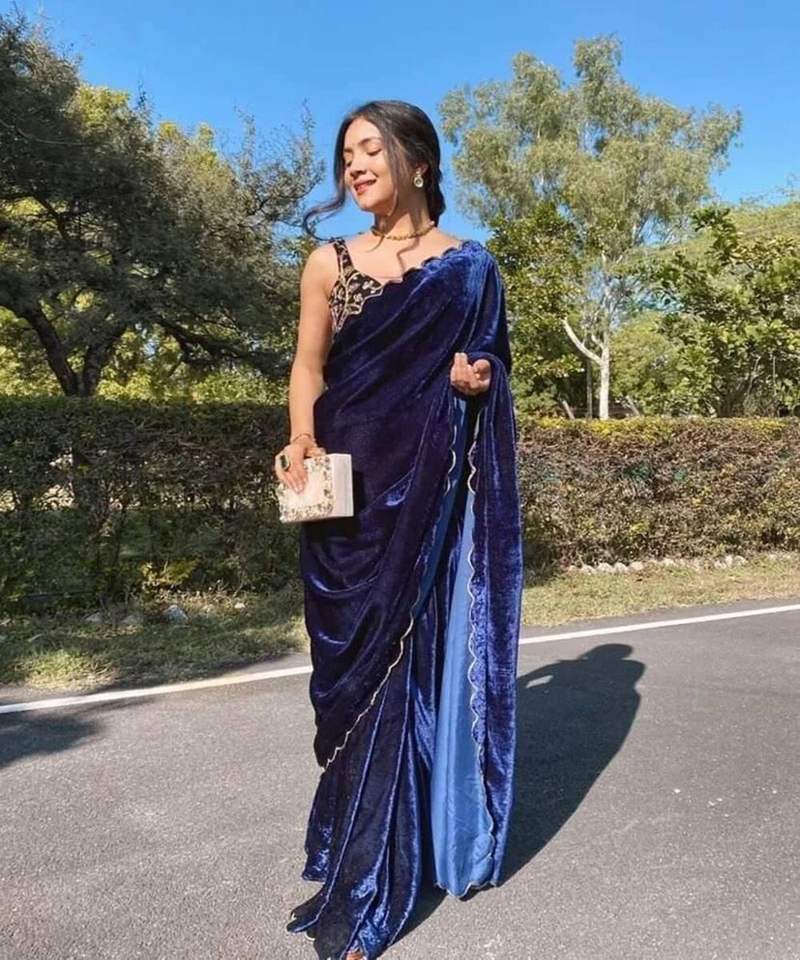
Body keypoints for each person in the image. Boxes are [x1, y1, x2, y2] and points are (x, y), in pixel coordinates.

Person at [273, 100, 523, 960]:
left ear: (418, 161)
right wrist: (299, 436)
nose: (355, 165)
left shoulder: (470, 267)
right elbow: (308, 365)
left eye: (371, 149)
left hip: (424, 493)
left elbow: (490, 363)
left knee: (403, 679)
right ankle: (348, 837)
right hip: (345, 499)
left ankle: (368, 890)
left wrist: (478, 378)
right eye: (347, 154)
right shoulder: (329, 262)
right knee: (346, 680)